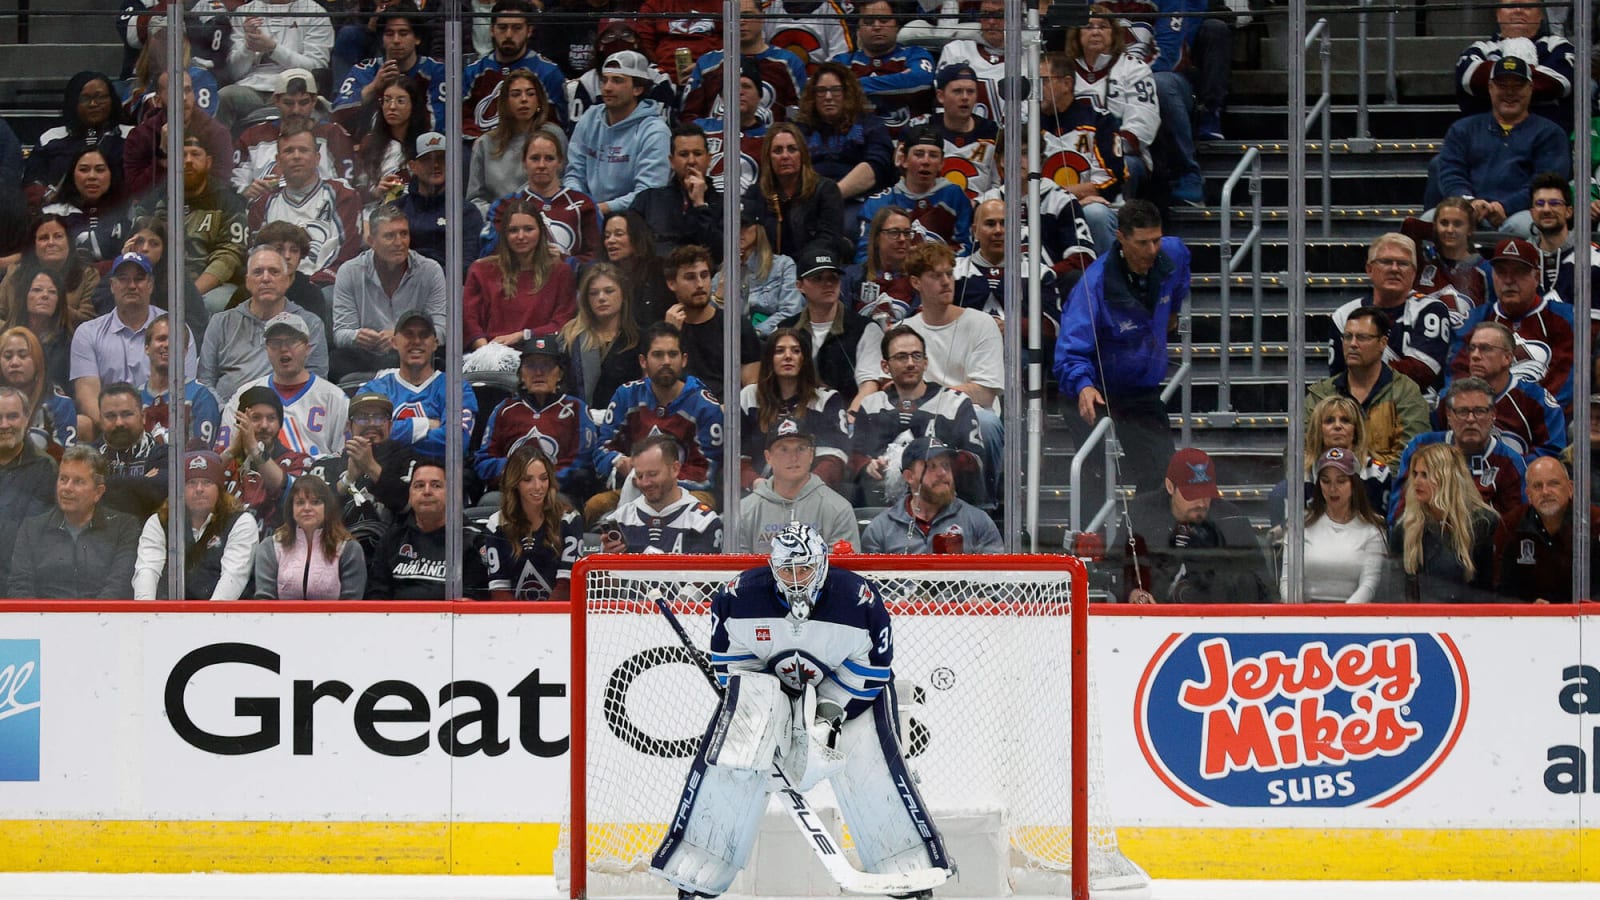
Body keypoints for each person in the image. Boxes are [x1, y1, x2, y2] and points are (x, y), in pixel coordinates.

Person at [652, 520, 950, 896]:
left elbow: (871, 672)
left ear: (822, 564)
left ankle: (908, 870)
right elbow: (733, 669)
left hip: (846, 694)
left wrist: (827, 713)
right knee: (733, 759)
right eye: (786, 570)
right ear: (773, 567)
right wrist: (766, 709)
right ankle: (696, 873)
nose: (795, 579)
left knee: (871, 767)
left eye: (804, 568)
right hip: (769, 687)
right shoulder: (738, 597)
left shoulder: (858, 600)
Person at [1053, 199, 1186, 496]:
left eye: (1156, 240)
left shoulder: (1173, 252)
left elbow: (1179, 278)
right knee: (1093, 475)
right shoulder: (1093, 285)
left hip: (1140, 386)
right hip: (1094, 387)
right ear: (1121, 238)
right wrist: (1083, 385)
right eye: (1142, 243)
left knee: (1162, 475)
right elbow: (1071, 350)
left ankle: (1147, 540)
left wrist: (1173, 308)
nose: (1152, 251)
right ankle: (1090, 539)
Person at [587, 323, 724, 525]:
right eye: (658, 355)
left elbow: (707, 472)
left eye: (673, 354)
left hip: (687, 492)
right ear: (643, 361)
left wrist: (660, 478)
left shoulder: (704, 406)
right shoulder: (626, 395)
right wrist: (618, 462)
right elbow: (601, 447)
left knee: (703, 508)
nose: (666, 361)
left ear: (683, 359)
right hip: (637, 488)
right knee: (594, 507)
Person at [1107, 447, 1276, 604]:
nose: (1201, 503)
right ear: (1170, 486)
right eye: (1192, 495)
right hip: (1154, 619)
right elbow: (1114, 568)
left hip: (1218, 619)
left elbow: (1261, 584)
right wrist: (1132, 592)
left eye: (1206, 494)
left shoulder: (1231, 518)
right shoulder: (1142, 513)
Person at [1427, 55, 1569, 235]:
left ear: (1530, 89)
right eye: (1502, 86)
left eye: (1518, 86)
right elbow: (1451, 172)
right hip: (1467, 210)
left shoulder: (1550, 133)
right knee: (1427, 221)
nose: (1510, 93)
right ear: (1490, 88)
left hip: (1521, 213)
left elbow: (1546, 183)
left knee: (1522, 226)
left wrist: (1504, 206)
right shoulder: (1462, 129)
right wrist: (1468, 203)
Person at [851, 325, 987, 507]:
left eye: (916, 356)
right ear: (885, 366)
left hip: (945, 506)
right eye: (901, 357)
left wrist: (937, 464)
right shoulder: (870, 405)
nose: (910, 363)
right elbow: (853, 456)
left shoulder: (954, 403)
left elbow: (975, 461)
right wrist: (868, 465)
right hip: (883, 508)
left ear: (925, 362)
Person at [1447, 237, 1577, 414]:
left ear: (1536, 277)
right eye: (1501, 272)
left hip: (1543, 418)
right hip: (1481, 416)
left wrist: (1530, 412)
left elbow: (1565, 381)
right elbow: (1458, 375)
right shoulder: (1475, 320)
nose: (1509, 280)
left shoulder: (1564, 317)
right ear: (1492, 275)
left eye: (1519, 272)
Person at [71, 251, 198, 429]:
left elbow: (187, 389)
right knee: (81, 424)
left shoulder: (176, 328)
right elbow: (88, 397)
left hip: (163, 425)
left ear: (151, 285)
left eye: (139, 279)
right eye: (123, 279)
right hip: (110, 429)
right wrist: (118, 428)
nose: (131, 285)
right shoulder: (88, 333)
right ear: (112, 285)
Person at [472, 335, 598, 503]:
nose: (539, 372)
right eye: (531, 366)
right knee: (489, 501)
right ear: (521, 374)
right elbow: (484, 461)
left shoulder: (577, 409)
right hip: (509, 492)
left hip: (556, 492)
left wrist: (541, 479)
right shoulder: (504, 409)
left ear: (559, 373)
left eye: (546, 365)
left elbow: (583, 463)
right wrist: (519, 476)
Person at [1327, 233, 1455, 397]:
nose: (1394, 269)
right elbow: (1338, 377)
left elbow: (1421, 373)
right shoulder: (1343, 315)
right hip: (1356, 410)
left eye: (1403, 264)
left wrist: (1363, 371)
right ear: (1369, 269)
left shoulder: (1432, 310)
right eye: (1386, 262)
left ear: (1414, 273)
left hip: (1416, 410)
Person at [200, 246, 332, 406]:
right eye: (258, 272)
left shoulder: (310, 324)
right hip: (226, 419)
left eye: (274, 272)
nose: (265, 278)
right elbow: (205, 382)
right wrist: (227, 412)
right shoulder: (220, 322)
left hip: (287, 419)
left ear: (288, 280)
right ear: (247, 281)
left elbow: (315, 384)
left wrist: (277, 417)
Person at [6, 445, 139, 599]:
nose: (67, 488)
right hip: (43, 619)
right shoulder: (32, 528)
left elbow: (118, 586)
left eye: (78, 482)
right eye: (63, 479)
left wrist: (92, 619)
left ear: (98, 492)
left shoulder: (124, 527)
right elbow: (19, 587)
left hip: (103, 620)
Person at [134, 133, 249, 315]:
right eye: (182, 155)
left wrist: (192, 294)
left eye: (195, 154)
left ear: (208, 162)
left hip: (208, 286)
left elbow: (229, 255)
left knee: (212, 304)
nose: (188, 161)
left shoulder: (228, 200)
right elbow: (137, 242)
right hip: (157, 280)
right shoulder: (154, 199)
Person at [330, 204, 449, 378]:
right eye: (389, 236)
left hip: (414, 352)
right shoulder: (349, 271)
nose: (399, 243)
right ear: (371, 241)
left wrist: (402, 336)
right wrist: (357, 336)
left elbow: (441, 330)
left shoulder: (430, 270)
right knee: (336, 361)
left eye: (404, 234)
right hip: (368, 355)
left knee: (442, 360)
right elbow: (340, 333)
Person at [1306, 305, 1432, 469]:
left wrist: (1371, 480)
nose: (1353, 344)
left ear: (1382, 343)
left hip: (1388, 489)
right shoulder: (1321, 394)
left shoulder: (1405, 392)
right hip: (1329, 485)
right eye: (1347, 337)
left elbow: (1413, 453)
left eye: (1362, 338)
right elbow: (1301, 449)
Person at [1065, 8, 1166, 203]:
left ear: (1115, 33)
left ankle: (1119, 220)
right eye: (1088, 26)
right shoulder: (1063, 69)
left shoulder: (1135, 69)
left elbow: (1143, 124)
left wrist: (1102, 151)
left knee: (1126, 166)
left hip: (1120, 155)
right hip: (1070, 152)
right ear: (1077, 34)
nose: (1095, 32)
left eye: (1103, 26)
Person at [247, 121, 366, 286]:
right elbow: (256, 256)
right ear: (278, 160)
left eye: (303, 150)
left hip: (326, 284)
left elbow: (346, 253)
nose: (296, 156)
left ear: (317, 158)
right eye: (289, 151)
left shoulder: (342, 194)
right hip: (273, 286)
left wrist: (308, 285)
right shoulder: (262, 204)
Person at [301, 391, 418, 557]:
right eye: (362, 418)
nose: (371, 424)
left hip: (392, 554)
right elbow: (310, 514)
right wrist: (347, 480)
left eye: (379, 417)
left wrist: (370, 467)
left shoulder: (407, 460)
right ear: (349, 426)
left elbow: (409, 505)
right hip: (332, 556)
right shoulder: (326, 465)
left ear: (389, 426)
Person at [131, 450, 258, 601]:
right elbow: (147, 569)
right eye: (191, 483)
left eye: (207, 482)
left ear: (219, 489)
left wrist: (209, 617)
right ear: (180, 490)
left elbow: (234, 575)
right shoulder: (160, 521)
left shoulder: (241, 521)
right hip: (168, 615)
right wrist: (147, 613)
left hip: (224, 618)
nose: (199, 489)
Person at [222, 313, 350, 458]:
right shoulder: (244, 395)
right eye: (275, 343)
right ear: (266, 349)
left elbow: (344, 458)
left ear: (307, 348)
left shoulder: (335, 398)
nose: (283, 348)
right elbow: (224, 454)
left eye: (292, 341)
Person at [563, 50, 673, 216]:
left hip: (634, 219)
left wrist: (601, 209)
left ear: (638, 89)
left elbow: (648, 193)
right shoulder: (590, 118)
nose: (607, 88)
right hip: (587, 212)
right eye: (604, 80)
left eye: (617, 81)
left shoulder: (654, 131)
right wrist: (582, 204)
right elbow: (574, 173)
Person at [738, 328, 850, 490]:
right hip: (758, 491)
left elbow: (834, 457)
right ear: (769, 359)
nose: (788, 356)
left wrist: (807, 486)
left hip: (812, 490)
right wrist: (757, 483)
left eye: (796, 351)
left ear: (804, 359)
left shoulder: (827, 399)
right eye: (779, 351)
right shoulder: (749, 396)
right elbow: (737, 457)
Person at [1390, 442, 1502, 603]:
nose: (1416, 482)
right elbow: (1397, 592)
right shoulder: (1406, 526)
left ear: (1446, 478)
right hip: (1418, 621)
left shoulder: (1483, 523)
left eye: (1425, 475)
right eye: (1415, 474)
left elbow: (1489, 591)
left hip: (1469, 620)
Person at [775, 245, 885, 410]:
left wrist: (851, 419)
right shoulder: (785, 329)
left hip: (847, 417)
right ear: (799, 286)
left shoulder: (865, 328)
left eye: (833, 277)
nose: (827, 284)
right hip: (794, 417)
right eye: (817, 278)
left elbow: (869, 386)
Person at [358, 311, 479, 460]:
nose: (416, 341)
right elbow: (364, 437)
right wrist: (424, 425)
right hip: (383, 475)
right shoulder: (373, 390)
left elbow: (456, 444)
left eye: (424, 335)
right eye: (408, 334)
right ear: (394, 342)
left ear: (435, 343)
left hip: (439, 478)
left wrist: (390, 440)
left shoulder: (456, 389)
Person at [1037, 51, 1123, 256]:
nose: (1036, 89)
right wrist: (1069, 200)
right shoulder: (1027, 125)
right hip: (1041, 207)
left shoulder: (1099, 121)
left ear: (1067, 83)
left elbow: (1112, 179)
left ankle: (1105, 283)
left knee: (1096, 214)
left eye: (1043, 81)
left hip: (1089, 208)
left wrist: (1065, 200)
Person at [464, 198, 576, 352]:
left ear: (541, 232)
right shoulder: (480, 270)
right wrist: (485, 353)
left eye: (528, 229)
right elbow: (470, 321)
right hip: (489, 353)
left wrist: (524, 335)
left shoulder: (561, 272)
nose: (521, 236)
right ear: (504, 234)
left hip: (540, 354)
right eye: (513, 230)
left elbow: (563, 322)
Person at [232, 67, 359, 201]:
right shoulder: (253, 136)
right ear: (276, 100)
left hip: (321, 213)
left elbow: (348, 184)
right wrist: (246, 191)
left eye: (303, 102)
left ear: (314, 101)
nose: (296, 110)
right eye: (288, 103)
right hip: (262, 213)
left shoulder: (333, 134)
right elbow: (234, 183)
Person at [366, 459, 486, 599]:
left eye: (436, 485)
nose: (427, 491)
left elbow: (473, 602)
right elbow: (377, 596)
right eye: (419, 485)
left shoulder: (472, 539)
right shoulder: (392, 538)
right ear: (410, 494)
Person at [738, 417, 859, 554]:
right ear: (768, 457)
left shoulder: (838, 509)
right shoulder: (744, 512)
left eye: (801, 449)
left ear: (811, 455)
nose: (793, 457)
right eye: (784, 449)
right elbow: (736, 571)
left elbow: (843, 571)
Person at [478, 444, 584, 600]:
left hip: (558, 618)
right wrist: (521, 621)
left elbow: (566, 587)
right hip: (514, 619)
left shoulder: (569, 518)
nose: (538, 487)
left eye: (544, 478)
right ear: (514, 482)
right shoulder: (497, 524)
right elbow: (499, 590)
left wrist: (541, 619)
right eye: (527, 480)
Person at [861, 436, 1000, 554]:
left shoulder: (979, 522)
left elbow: (999, 582)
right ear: (909, 477)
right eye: (930, 466)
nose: (942, 473)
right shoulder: (880, 529)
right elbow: (868, 584)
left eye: (946, 465)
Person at [1282, 448, 1388, 604]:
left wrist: (1339, 619)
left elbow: (1368, 586)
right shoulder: (1300, 526)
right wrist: (1303, 615)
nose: (1332, 489)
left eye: (1341, 481)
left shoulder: (1371, 531)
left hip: (1352, 619)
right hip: (1305, 616)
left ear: (1354, 484)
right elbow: (1287, 582)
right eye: (1326, 481)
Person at [1450, 321, 1566, 461]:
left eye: (1485, 348)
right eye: (1472, 348)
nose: (1475, 355)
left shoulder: (1537, 401)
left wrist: (1509, 470)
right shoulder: (1450, 398)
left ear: (1507, 358)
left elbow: (1551, 454)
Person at [678, 0, 806, 127]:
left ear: (762, 17)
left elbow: (801, 116)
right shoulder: (707, 64)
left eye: (748, 15)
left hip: (768, 144)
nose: (742, 21)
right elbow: (689, 116)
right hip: (717, 144)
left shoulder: (788, 62)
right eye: (734, 16)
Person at [855, 126, 972, 262]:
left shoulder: (955, 196)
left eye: (933, 155)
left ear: (941, 163)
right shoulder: (878, 203)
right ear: (904, 160)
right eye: (919, 154)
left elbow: (967, 247)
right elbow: (864, 256)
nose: (926, 161)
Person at [1455, 0, 1576, 131]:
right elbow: (1470, 80)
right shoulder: (1479, 49)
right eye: (1511, 6)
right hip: (1486, 139)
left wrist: (1497, 74)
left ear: (1540, 15)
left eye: (1527, 7)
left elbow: (1558, 83)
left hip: (1544, 139)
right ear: (1498, 13)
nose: (1518, 10)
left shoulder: (1558, 47)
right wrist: (1533, 73)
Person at [662, 244, 763, 401]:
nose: (700, 284)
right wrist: (670, 336)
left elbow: (751, 391)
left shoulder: (736, 326)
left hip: (727, 416)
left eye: (704, 275)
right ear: (671, 284)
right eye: (690, 277)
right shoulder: (663, 332)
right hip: (678, 416)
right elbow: (655, 389)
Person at [482, 131, 602, 261]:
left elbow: (597, 258)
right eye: (535, 158)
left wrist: (564, 262)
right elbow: (492, 257)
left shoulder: (584, 203)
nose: (541, 165)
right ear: (524, 162)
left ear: (560, 163)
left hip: (570, 279)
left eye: (549, 159)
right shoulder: (504, 206)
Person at [460, 0, 570, 142]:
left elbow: (557, 125)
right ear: (492, 30)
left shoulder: (548, 73)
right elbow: (460, 120)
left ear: (529, 31)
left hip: (531, 152)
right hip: (483, 149)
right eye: (502, 27)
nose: (509, 35)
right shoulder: (473, 72)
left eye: (517, 28)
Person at [1494, 456, 1599, 604]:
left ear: (1570, 488)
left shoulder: (1595, 523)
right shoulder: (1510, 526)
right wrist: (1527, 606)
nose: (1545, 492)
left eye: (1553, 484)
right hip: (1529, 623)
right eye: (1537, 486)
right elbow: (1499, 590)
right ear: (1528, 495)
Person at [596, 434, 724, 555]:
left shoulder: (704, 522)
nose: (645, 483)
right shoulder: (619, 520)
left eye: (653, 474)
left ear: (675, 469)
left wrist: (642, 554)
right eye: (639, 476)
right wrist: (607, 564)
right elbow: (601, 578)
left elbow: (703, 577)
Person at [466, 68, 567, 219]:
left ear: (539, 100)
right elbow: (475, 199)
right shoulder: (485, 144)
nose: (524, 99)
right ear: (505, 102)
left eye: (530, 94)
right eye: (516, 94)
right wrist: (501, 215)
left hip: (547, 218)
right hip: (499, 221)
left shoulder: (554, 135)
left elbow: (565, 181)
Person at [23, 73, 132, 210]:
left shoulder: (131, 136)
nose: (93, 104)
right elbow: (32, 184)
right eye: (85, 98)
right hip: (60, 218)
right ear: (73, 101)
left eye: (100, 97)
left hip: (117, 213)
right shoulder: (51, 138)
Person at [217, 0, 335, 127]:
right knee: (224, 96)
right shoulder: (245, 12)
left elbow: (316, 68)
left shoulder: (315, 12)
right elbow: (233, 73)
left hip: (294, 91)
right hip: (251, 89)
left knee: (301, 102)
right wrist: (248, 47)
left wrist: (273, 49)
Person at [743, 122, 850, 262]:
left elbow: (828, 240)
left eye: (792, 149)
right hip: (768, 273)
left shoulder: (826, 190)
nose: (785, 156)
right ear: (768, 158)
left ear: (803, 155)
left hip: (811, 270)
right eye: (777, 151)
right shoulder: (757, 193)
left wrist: (792, 268)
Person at [331, 2, 445, 131]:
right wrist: (373, 87)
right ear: (382, 39)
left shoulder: (437, 70)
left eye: (403, 33)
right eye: (389, 34)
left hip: (423, 145)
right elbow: (338, 114)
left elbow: (441, 123)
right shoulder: (364, 70)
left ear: (417, 38)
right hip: (374, 145)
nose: (396, 40)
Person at [253, 473, 368, 600]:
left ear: (327, 507)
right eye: (300, 502)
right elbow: (264, 602)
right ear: (291, 508)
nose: (307, 508)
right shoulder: (270, 547)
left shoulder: (349, 549)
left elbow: (351, 606)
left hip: (335, 619)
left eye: (315, 502)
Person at [122, 69, 234, 198]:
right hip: (155, 210)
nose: (184, 98)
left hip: (204, 208)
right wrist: (164, 160)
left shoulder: (216, 133)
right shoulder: (140, 136)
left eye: (187, 90)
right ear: (158, 101)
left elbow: (222, 185)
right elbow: (137, 191)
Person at [220, 384, 314, 536]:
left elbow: (290, 493)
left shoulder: (299, 461)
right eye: (255, 418)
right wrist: (231, 452)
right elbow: (200, 481)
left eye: (271, 418)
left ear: (279, 424)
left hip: (275, 550)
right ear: (240, 421)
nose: (264, 425)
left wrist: (255, 451)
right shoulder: (224, 458)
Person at [797, 62, 894, 210]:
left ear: (847, 93)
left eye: (835, 90)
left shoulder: (870, 124)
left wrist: (832, 196)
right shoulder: (799, 129)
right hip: (807, 200)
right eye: (821, 91)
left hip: (858, 201)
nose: (828, 97)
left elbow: (877, 165)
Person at [833, 0, 936, 135]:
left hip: (910, 143)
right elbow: (832, 90)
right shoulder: (842, 62)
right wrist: (898, 80)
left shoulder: (915, 54)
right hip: (857, 143)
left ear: (896, 26)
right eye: (869, 21)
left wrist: (854, 85)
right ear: (858, 28)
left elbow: (920, 78)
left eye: (884, 20)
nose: (877, 26)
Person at [631, 123, 725, 263]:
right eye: (683, 154)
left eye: (697, 154)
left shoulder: (724, 204)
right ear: (672, 161)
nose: (691, 161)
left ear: (709, 159)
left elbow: (720, 254)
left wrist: (700, 205)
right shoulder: (648, 200)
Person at [715, 200, 803, 338]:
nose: (738, 231)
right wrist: (719, 295)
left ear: (758, 228)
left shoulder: (783, 266)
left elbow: (792, 312)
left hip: (772, 342)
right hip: (732, 347)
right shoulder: (721, 275)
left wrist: (754, 334)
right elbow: (710, 323)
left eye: (744, 225)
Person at [395, 132, 485, 268]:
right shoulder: (397, 209)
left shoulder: (466, 212)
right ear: (413, 166)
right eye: (427, 160)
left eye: (441, 158)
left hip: (450, 286)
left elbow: (468, 266)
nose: (435, 165)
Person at [0, 214, 100, 334]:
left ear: (69, 241)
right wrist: (14, 334)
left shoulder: (88, 275)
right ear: (33, 245)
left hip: (68, 345)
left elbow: (90, 322)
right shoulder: (15, 274)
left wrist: (57, 307)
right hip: (17, 346)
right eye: (43, 238)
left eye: (58, 236)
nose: (51, 243)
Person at [561, 262, 641, 410]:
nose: (601, 298)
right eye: (593, 293)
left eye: (609, 291)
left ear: (623, 295)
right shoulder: (570, 338)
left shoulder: (638, 339)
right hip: (580, 421)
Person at [139, 314, 222, 450]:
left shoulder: (200, 396)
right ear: (147, 347)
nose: (167, 345)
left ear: (184, 351)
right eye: (161, 339)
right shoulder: (135, 397)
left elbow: (200, 457)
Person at [41, 147, 131, 265]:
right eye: (84, 170)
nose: (92, 176)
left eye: (100, 170)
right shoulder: (51, 213)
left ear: (111, 174)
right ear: (72, 174)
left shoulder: (128, 211)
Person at [350, 75, 431, 206]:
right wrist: (376, 191)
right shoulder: (369, 143)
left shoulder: (426, 144)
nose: (392, 107)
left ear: (413, 105)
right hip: (377, 213)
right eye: (387, 100)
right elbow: (357, 188)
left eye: (400, 101)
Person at [0, 386, 58, 568]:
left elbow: (36, 533)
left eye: (12, 416)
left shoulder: (45, 467)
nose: (4, 425)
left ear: (27, 418)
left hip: (18, 570)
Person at [4, 271, 79, 407]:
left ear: (59, 301)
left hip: (53, 411)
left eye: (52, 292)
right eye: (37, 290)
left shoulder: (71, 343)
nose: (45, 295)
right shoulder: (4, 339)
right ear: (24, 296)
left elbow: (72, 392)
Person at [1526, 172, 1600, 309]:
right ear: (1532, 213)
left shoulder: (1594, 258)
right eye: (1540, 204)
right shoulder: (1522, 259)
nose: (1546, 209)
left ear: (1569, 211)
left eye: (1554, 203)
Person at [2, 326, 81, 452]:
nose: (14, 362)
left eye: (22, 355)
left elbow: (66, 458)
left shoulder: (60, 404)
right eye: (7, 356)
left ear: (38, 360)